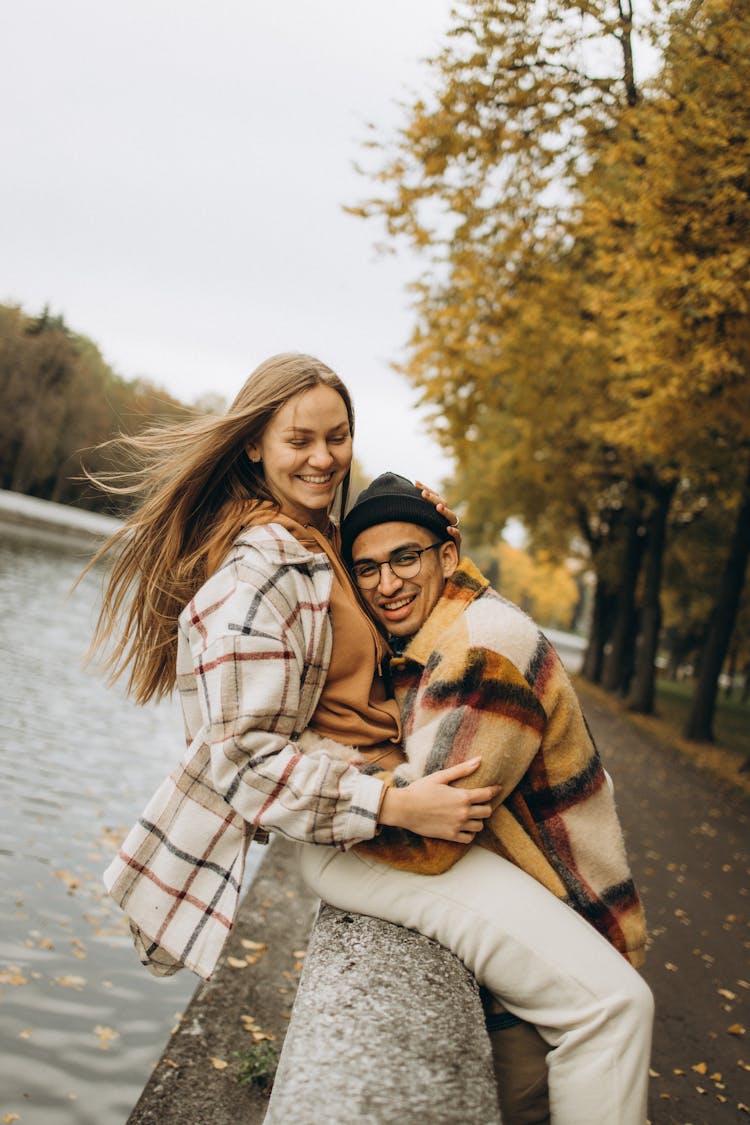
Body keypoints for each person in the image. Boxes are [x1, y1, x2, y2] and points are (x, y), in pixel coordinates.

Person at [92, 353, 496, 979]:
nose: (324, 458)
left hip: (393, 805)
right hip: (367, 829)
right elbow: (245, 759)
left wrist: (437, 550)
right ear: (254, 445)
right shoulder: (259, 571)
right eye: (299, 440)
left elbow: (397, 651)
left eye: (338, 438)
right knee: (603, 1002)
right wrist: (395, 807)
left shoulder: (322, 546)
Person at [293, 472, 654, 1125]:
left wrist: (311, 771)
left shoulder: (482, 651)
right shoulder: (437, 629)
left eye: (406, 557)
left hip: (571, 919)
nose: (387, 582)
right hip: (536, 911)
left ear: (447, 557)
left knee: (584, 1043)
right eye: (367, 568)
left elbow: (427, 832)